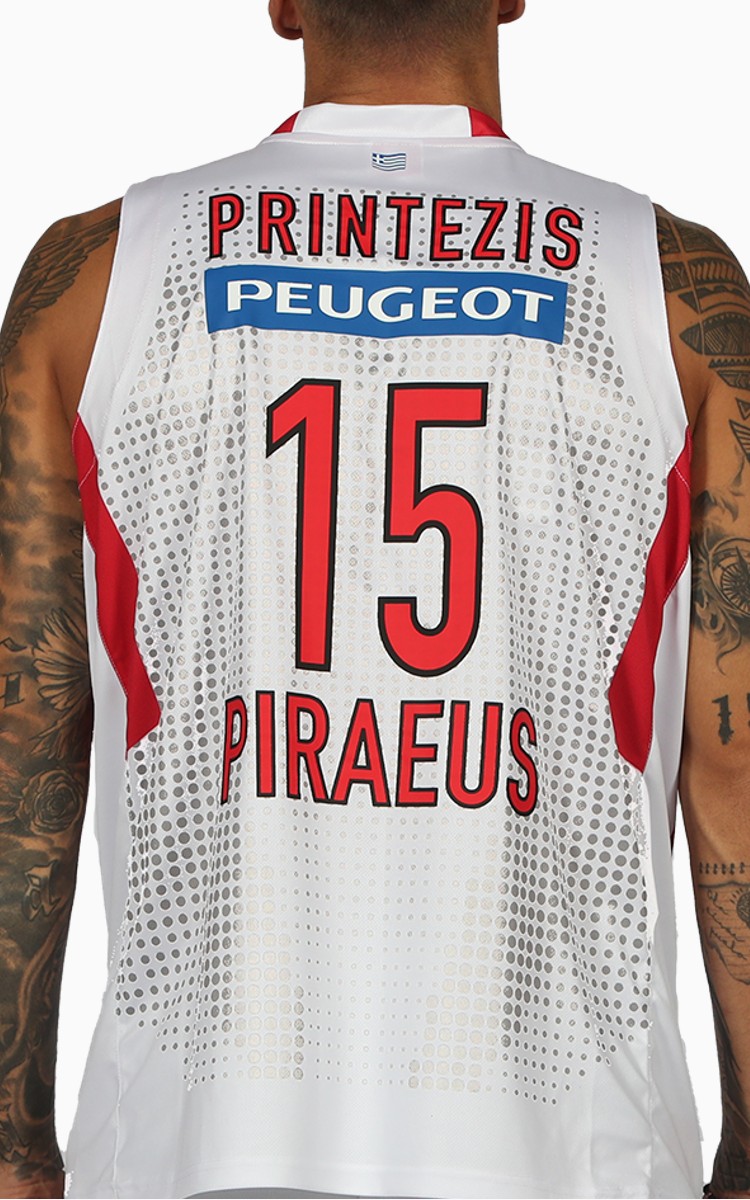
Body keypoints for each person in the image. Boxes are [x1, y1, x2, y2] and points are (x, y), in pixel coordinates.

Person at [0, 0, 748, 1196]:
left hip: (195, 1143)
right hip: (567, 1153)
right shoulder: (670, 290)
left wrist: (13, 1148)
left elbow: (24, 729)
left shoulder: (96, 276)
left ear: (283, 3)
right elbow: (735, 759)